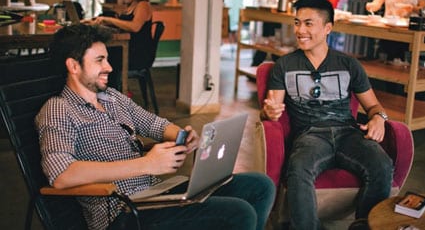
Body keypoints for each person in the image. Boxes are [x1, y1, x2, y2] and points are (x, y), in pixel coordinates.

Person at [35, 24, 275, 230]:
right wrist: (146, 164)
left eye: (107, 59)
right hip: (122, 212)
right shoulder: (58, 109)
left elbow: (152, 123)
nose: (109, 67)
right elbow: (61, 175)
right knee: (239, 213)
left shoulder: (112, 97)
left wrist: (182, 135)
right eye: (99, 60)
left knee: (259, 185)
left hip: (154, 193)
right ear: (73, 66)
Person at [261, 0, 393, 230]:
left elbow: (374, 106)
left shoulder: (349, 64)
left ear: (328, 28)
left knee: (381, 164)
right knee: (299, 168)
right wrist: (269, 112)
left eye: (308, 23)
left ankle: (365, 227)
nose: (300, 30)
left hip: (348, 133)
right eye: (297, 22)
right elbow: (272, 111)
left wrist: (378, 119)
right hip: (310, 136)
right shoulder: (284, 65)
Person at [84, 0, 155, 89]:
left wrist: (109, 20)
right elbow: (122, 26)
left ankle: (109, 94)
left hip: (138, 54)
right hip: (129, 48)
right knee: (101, 55)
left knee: (104, 58)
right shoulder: (130, 6)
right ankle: (103, 92)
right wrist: (98, 22)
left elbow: (134, 27)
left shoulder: (143, 5)